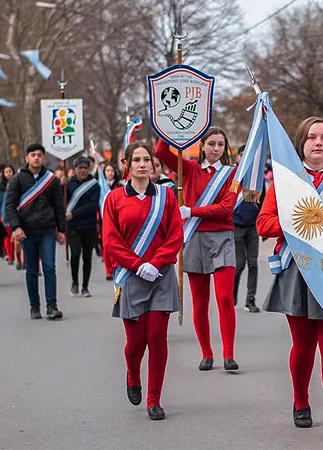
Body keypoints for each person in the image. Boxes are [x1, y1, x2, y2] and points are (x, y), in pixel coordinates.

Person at [257, 117, 323, 441]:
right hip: (299, 271)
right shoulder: (286, 183)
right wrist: (295, 225)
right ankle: (301, 401)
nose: (318, 143)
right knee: (303, 345)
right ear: (301, 143)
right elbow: (264, 223)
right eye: (312, 137)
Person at [103, 142, 183, 421]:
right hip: (131, 276)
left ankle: (154, 399)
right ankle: (133, 374)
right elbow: (111, 240)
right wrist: (138, 265)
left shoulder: (166, 196)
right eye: (136, 159)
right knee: (136, 342)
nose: (142, 164)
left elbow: (175, 234)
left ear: (153, 164)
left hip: (161, 276)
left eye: (146, 159)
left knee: (157, 337)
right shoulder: (114, 198)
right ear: (126, 164)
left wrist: (157, 262)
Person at [155, 128, 240, 372]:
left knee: (225, 298)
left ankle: (229, 354)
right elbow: (161, 151)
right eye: (211, 143)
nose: (216, 149)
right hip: (195, 238)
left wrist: (192, 211)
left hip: (222, 238)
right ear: (202, 145)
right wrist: (168, 124)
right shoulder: (189, 168)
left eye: (220, 144)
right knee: (200, 301)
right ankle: (207, 354)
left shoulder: (232, 174)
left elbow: (226, 208)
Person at [4, 144, 67, 320]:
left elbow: (58, 206)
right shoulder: (17, 179)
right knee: (31, 269)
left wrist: (61, 229)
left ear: (44, 158)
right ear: (27, 158)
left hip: (47, 230)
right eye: (33, 155)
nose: (36, 158)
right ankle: (34, 306)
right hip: (27, 231)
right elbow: (10, 205)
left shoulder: (51, 180)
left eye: (39, 155)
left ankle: (52, 306)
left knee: (49, 268)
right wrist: (15, 227)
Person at [232, 145, 263, 312]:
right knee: (239, 264)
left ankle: (250, 300)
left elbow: (263, 201)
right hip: (236, 225)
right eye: (242, 155)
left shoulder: (256, 178)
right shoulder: (233, 176)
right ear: (238, 157)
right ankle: (232, 295)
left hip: (252, 226)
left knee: (253, 263)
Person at [66, 156, 100, 298]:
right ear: (74, 169)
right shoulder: (68, 185)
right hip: (73, 226)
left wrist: (73, 214)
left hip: (89, 225)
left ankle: (85, 286)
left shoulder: (94, 185)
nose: (83, 170)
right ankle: (74, 281)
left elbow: (93, 206)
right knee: (75, 254)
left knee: (87, 256)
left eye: (85, 168)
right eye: (80, 168)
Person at [100, 163, 124, 280]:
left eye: (112, 170)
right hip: (103, 217)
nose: (110, 173)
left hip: (118, 217)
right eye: (108, 171)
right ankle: (108, 270)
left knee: (117, 243)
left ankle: (116, 266)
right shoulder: (100, 186)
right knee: (106, 244)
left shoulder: (120, 186)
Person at [0, 166, 22, 267]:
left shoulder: (19, 184)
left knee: (18, 238)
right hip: (5, 214)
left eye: (10, 171)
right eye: (6, 172)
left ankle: (20, 259)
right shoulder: (0, 186)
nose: (9, 173)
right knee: (7, 237)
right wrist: (0, 213)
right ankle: (10, 256)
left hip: (18, 214)